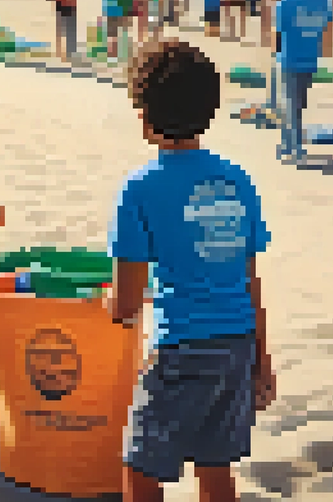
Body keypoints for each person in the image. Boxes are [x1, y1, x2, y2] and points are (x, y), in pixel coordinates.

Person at [108, 38, 276, 502]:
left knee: (141, 469)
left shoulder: (139, 189)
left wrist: (109, 305)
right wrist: (263, 360)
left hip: (180, 349)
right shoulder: (238, 180)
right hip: (237, 347)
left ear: (144, 117)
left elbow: (125, 303)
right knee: (215, 466)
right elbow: (249, 279)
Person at [274, 0, 333, 165]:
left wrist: (276, 54)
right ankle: (287, 144)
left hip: (290, 57)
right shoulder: (325, 0)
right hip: (310, 58)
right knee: (297, 104)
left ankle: (295, 148)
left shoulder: (287, 0)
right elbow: (327, 29)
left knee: (289, 104)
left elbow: (279, 32)